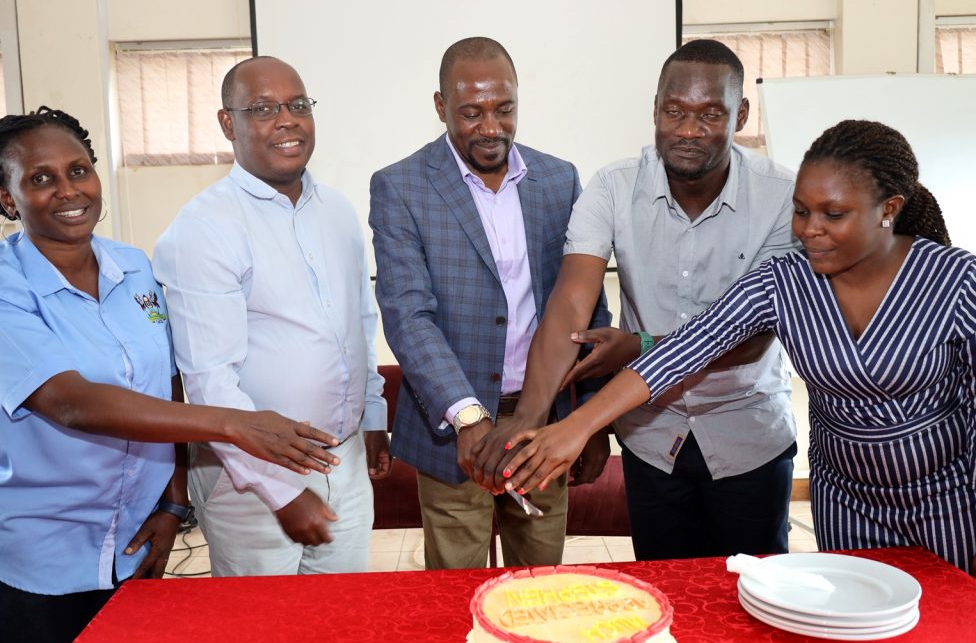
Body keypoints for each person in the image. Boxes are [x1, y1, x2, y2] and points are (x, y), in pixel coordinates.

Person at [0, 107, 341, 643]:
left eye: (79, 170)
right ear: (7, 198)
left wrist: (173, 503)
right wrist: (236, 423)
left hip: (130, 540)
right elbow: (70, 403)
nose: (69, 190)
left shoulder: (133, 269)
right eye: (41, 179)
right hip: (32, 551)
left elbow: (169, 386)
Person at [503, 119, 976, 575]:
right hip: (846, 501)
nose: (809, 229)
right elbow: (684, 349)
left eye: (833, 215)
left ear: (889, 209)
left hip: (947, 500)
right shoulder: (783, 282)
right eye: (800, 210)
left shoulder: (957, 282)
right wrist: (577, 427)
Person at [483, 39, 800, 561]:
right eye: (674, 111)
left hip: (748, 436)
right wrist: (532, 416)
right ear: (655, 109)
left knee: (749, 603)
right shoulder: (612, 187)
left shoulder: (782, 198)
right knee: (663, 597)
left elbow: (749, 335)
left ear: (741, 114)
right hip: (653, 438)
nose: (689, 130)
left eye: (710, 114)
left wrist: (641, 345)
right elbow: (569, 306)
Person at [369, 37, 610, 570]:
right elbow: (409, 315)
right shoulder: (400, 187)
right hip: (453, 429)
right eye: (471, 113)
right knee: (457, 591)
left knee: (541, 582)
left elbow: (587, 306)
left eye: (504, 110)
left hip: (544, 417)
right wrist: (467, 416)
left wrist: (593, 420)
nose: (491, 127)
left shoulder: (558, 179)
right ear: (440, 107)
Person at [153, 56, 390, 577]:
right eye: (262, 108)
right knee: (264, 640)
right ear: (226, 123)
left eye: (297, 104)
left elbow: (359, 324)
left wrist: (371, 416)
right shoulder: (204, 228)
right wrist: (281, 491)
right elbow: (210, 381)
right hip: (249, 476)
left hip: (343, 460)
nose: (286, 120)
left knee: (339, 627)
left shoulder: (338, 211)